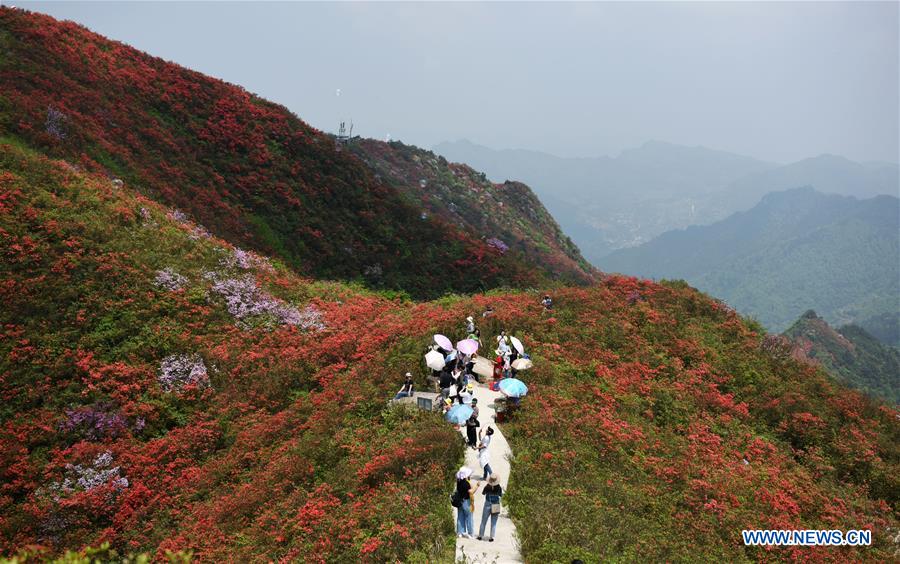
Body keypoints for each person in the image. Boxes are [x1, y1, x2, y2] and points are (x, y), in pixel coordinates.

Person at [477, 473, 503, 542]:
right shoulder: (499, 487)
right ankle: (491, 537)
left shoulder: (487, 486)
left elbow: (483, 493)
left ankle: (480, 536)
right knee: (494, 522)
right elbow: (501, 495)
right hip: (496, 504)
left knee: (483, 521)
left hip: (488, 503)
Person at [455, 466, 478, 538]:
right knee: (469, 517)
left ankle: (460, 532)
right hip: (466, 501)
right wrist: (477, 486)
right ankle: (470, 533)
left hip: (460, 501)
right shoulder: (466, 483)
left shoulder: (458, 482)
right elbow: (471, 492)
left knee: (460, 516)